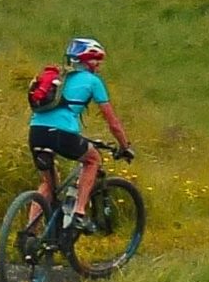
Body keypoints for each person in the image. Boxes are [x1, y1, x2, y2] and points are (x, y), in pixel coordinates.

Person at [29, 37, 133, 227]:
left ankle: (29, 235)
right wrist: (124, 146)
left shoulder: (59, 78)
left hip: (36, 131)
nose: (99, 65)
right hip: (62, 133)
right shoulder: (93, 81)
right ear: (87, 61)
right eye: (97, 60)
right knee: (93, 159)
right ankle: (79, 212)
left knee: (48, 185)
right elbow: (113, 123)